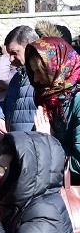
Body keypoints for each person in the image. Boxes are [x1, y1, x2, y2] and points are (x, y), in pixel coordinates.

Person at [25, 36, 80, 175]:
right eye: (33, 71)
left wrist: (48, 143)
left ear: (57, 67)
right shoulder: (49, 99)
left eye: (39, 71)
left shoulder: (77, 101)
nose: (36, 79)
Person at [0, 25, 38, 138]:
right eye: (9, 54)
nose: (10, 59)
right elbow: (5, 103)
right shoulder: (17, 77)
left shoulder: (44, 78)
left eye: (15, 53)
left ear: (30, 47)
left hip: (36, 148)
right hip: (17, 146)